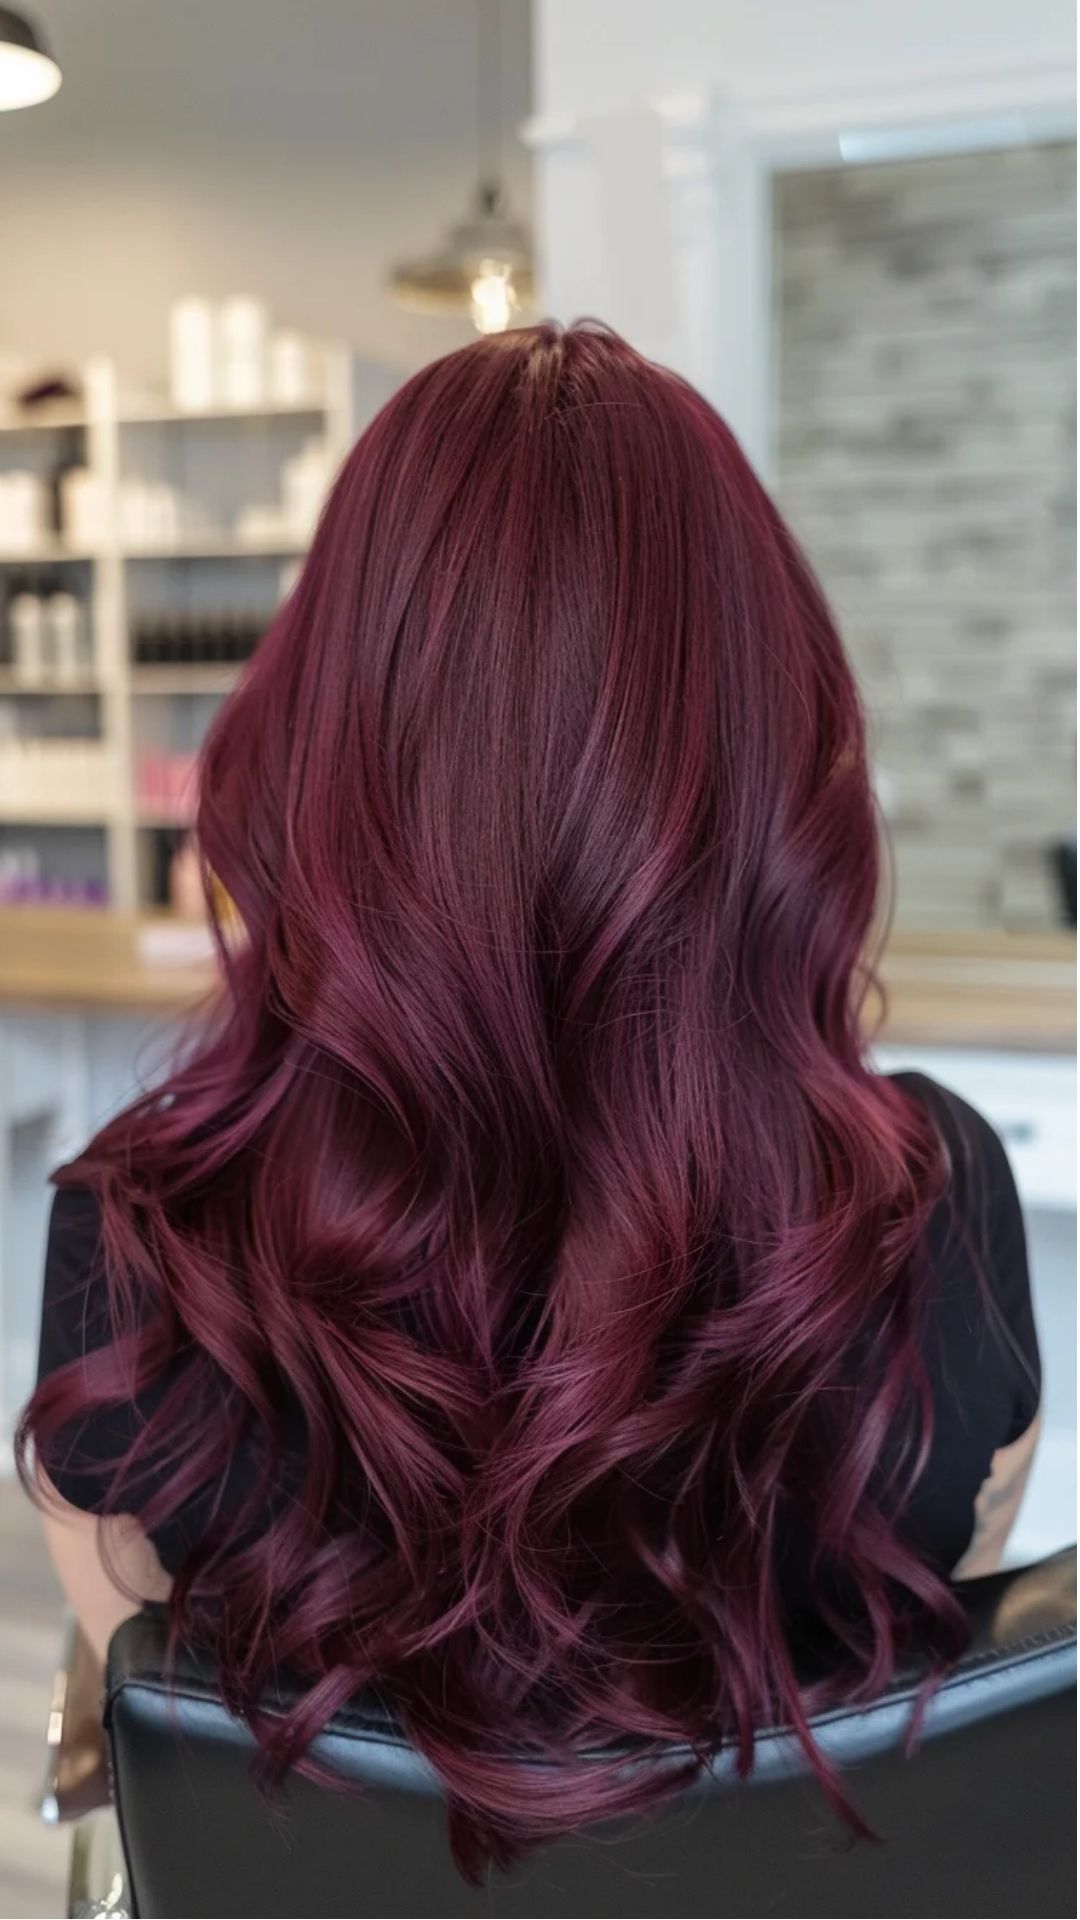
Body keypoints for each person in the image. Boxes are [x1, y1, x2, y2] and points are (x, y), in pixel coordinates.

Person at [20, 322, 1040, 1880]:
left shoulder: (129, 1251)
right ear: (778, 749)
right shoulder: (938, 1212)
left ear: (321, 736)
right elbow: (916, 1709)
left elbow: (172, 1749)